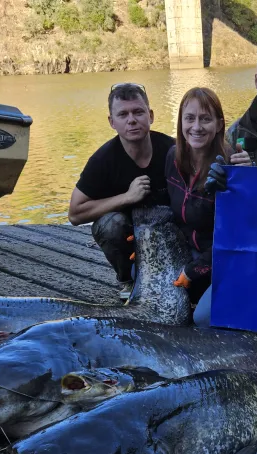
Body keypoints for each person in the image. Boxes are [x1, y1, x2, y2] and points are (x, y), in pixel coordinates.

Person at [67, 83, 174, 300]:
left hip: (169, 231)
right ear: (112, 122)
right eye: (123, 114)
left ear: (150, 116)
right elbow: (75, 214)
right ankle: (128, 280)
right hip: (129, 237)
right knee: (109, 224)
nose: (131, 120)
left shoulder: (173, 150)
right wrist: (127, 198)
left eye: (138, 112)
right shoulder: (102, 160)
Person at [165, 87, 251, 325]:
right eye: (189, 118)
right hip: (189, 250)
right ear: (181, 121)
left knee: (203, 319)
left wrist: (194, 271)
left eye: (205, 119)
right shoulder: (173, 158)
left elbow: (235, 237)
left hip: (224, 259)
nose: (196, 126)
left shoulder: (231, 168)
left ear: (219, 124)